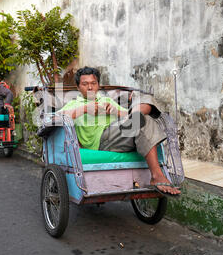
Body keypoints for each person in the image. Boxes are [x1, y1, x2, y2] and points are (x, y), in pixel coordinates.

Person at [59, 67, 181, 196]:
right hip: (101, 141)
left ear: (98, 86)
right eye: (85, 84)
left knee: (144, 102)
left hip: (120, 133)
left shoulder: (105, 100)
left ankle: (138, 114)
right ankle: (157, 175)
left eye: (93, 83)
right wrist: (83, 109)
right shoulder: (74, 104)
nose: (90, 87)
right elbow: (54, 118)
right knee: (140, 120)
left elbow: (126, 116)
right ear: (78, 87)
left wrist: (116, 111)